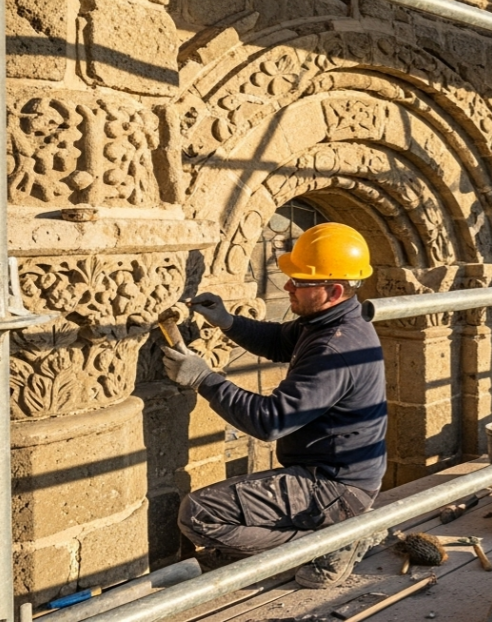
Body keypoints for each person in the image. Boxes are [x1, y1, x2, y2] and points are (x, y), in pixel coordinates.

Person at [161, 223, 387, 589]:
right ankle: (325, 535)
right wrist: (227, 321)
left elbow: (271, 422)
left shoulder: (336, 348)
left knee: (198, 514)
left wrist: (204, 378)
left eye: (300, 281)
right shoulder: (333, 321)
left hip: (334, 487)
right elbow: (281, 341)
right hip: (335, 475)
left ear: (333, 290)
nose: (288, 287)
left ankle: (329, 544)